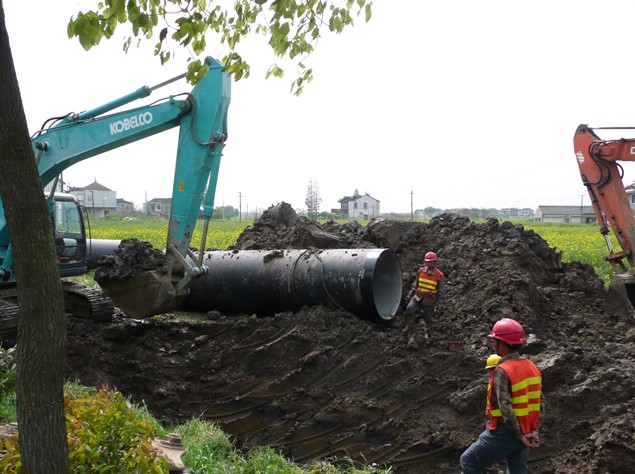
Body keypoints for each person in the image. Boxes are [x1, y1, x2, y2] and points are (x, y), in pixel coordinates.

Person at [460, 318, 543, 474]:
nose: (493, 345)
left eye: (495, 341)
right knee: (517, 469)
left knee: (468, 461)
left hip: (506, 431)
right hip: (527, 429)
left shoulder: (503, 370)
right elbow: (540, 401)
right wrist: (533, 430)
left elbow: (505, 407)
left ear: (503, 345)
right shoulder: (532, 366)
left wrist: (518, 435)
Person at [404, 251, 444, 336]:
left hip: (429, 299)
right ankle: (409, 326)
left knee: (428, 317)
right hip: (418, 296)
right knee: (409, 309)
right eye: (427, 261)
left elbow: (441, 290)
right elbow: (415, 284)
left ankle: (430, 333)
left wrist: (439, 303)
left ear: (434, 262)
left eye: (431, 261)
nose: (429, 263)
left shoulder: (439, 275)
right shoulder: (421, 271)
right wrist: (410, 294)